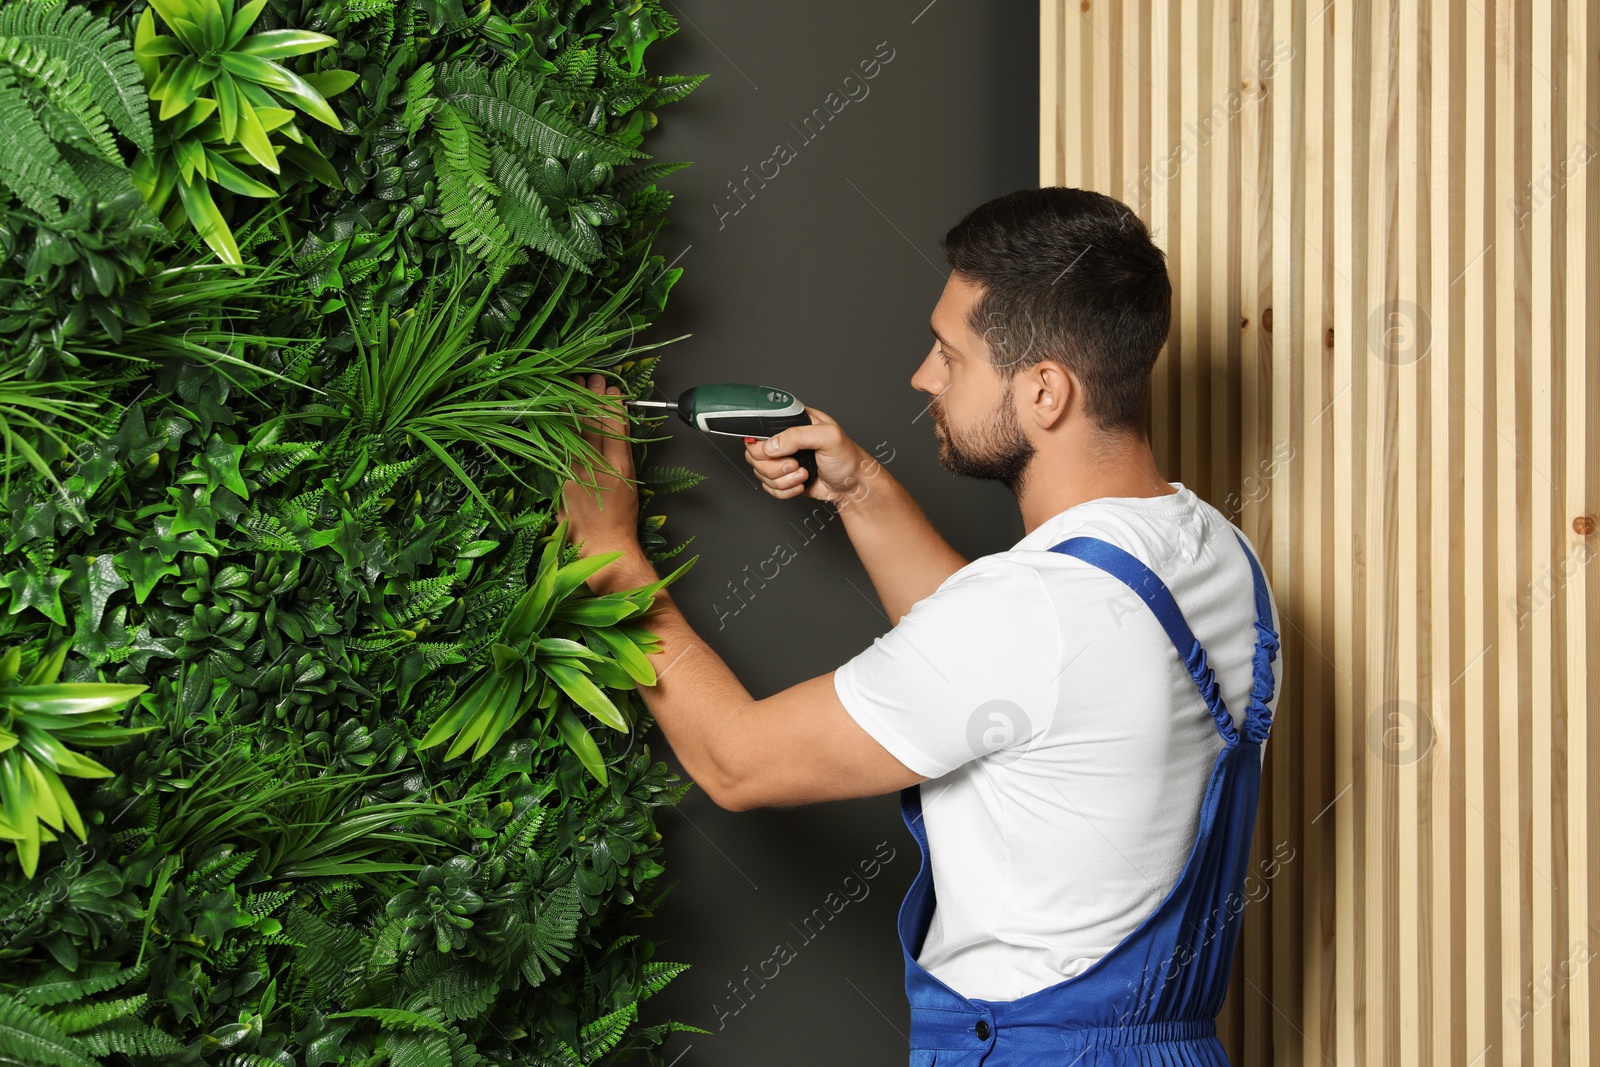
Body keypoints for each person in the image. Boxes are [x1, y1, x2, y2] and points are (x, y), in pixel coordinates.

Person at [556, 186, 1283, 1066]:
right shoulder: (1215, 553)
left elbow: (736, 761)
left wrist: (613, 556)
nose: (923, 377)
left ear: (1045, 390)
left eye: (951, 355)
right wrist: (860, 488)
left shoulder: (1031, 618)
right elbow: (1015, 688)